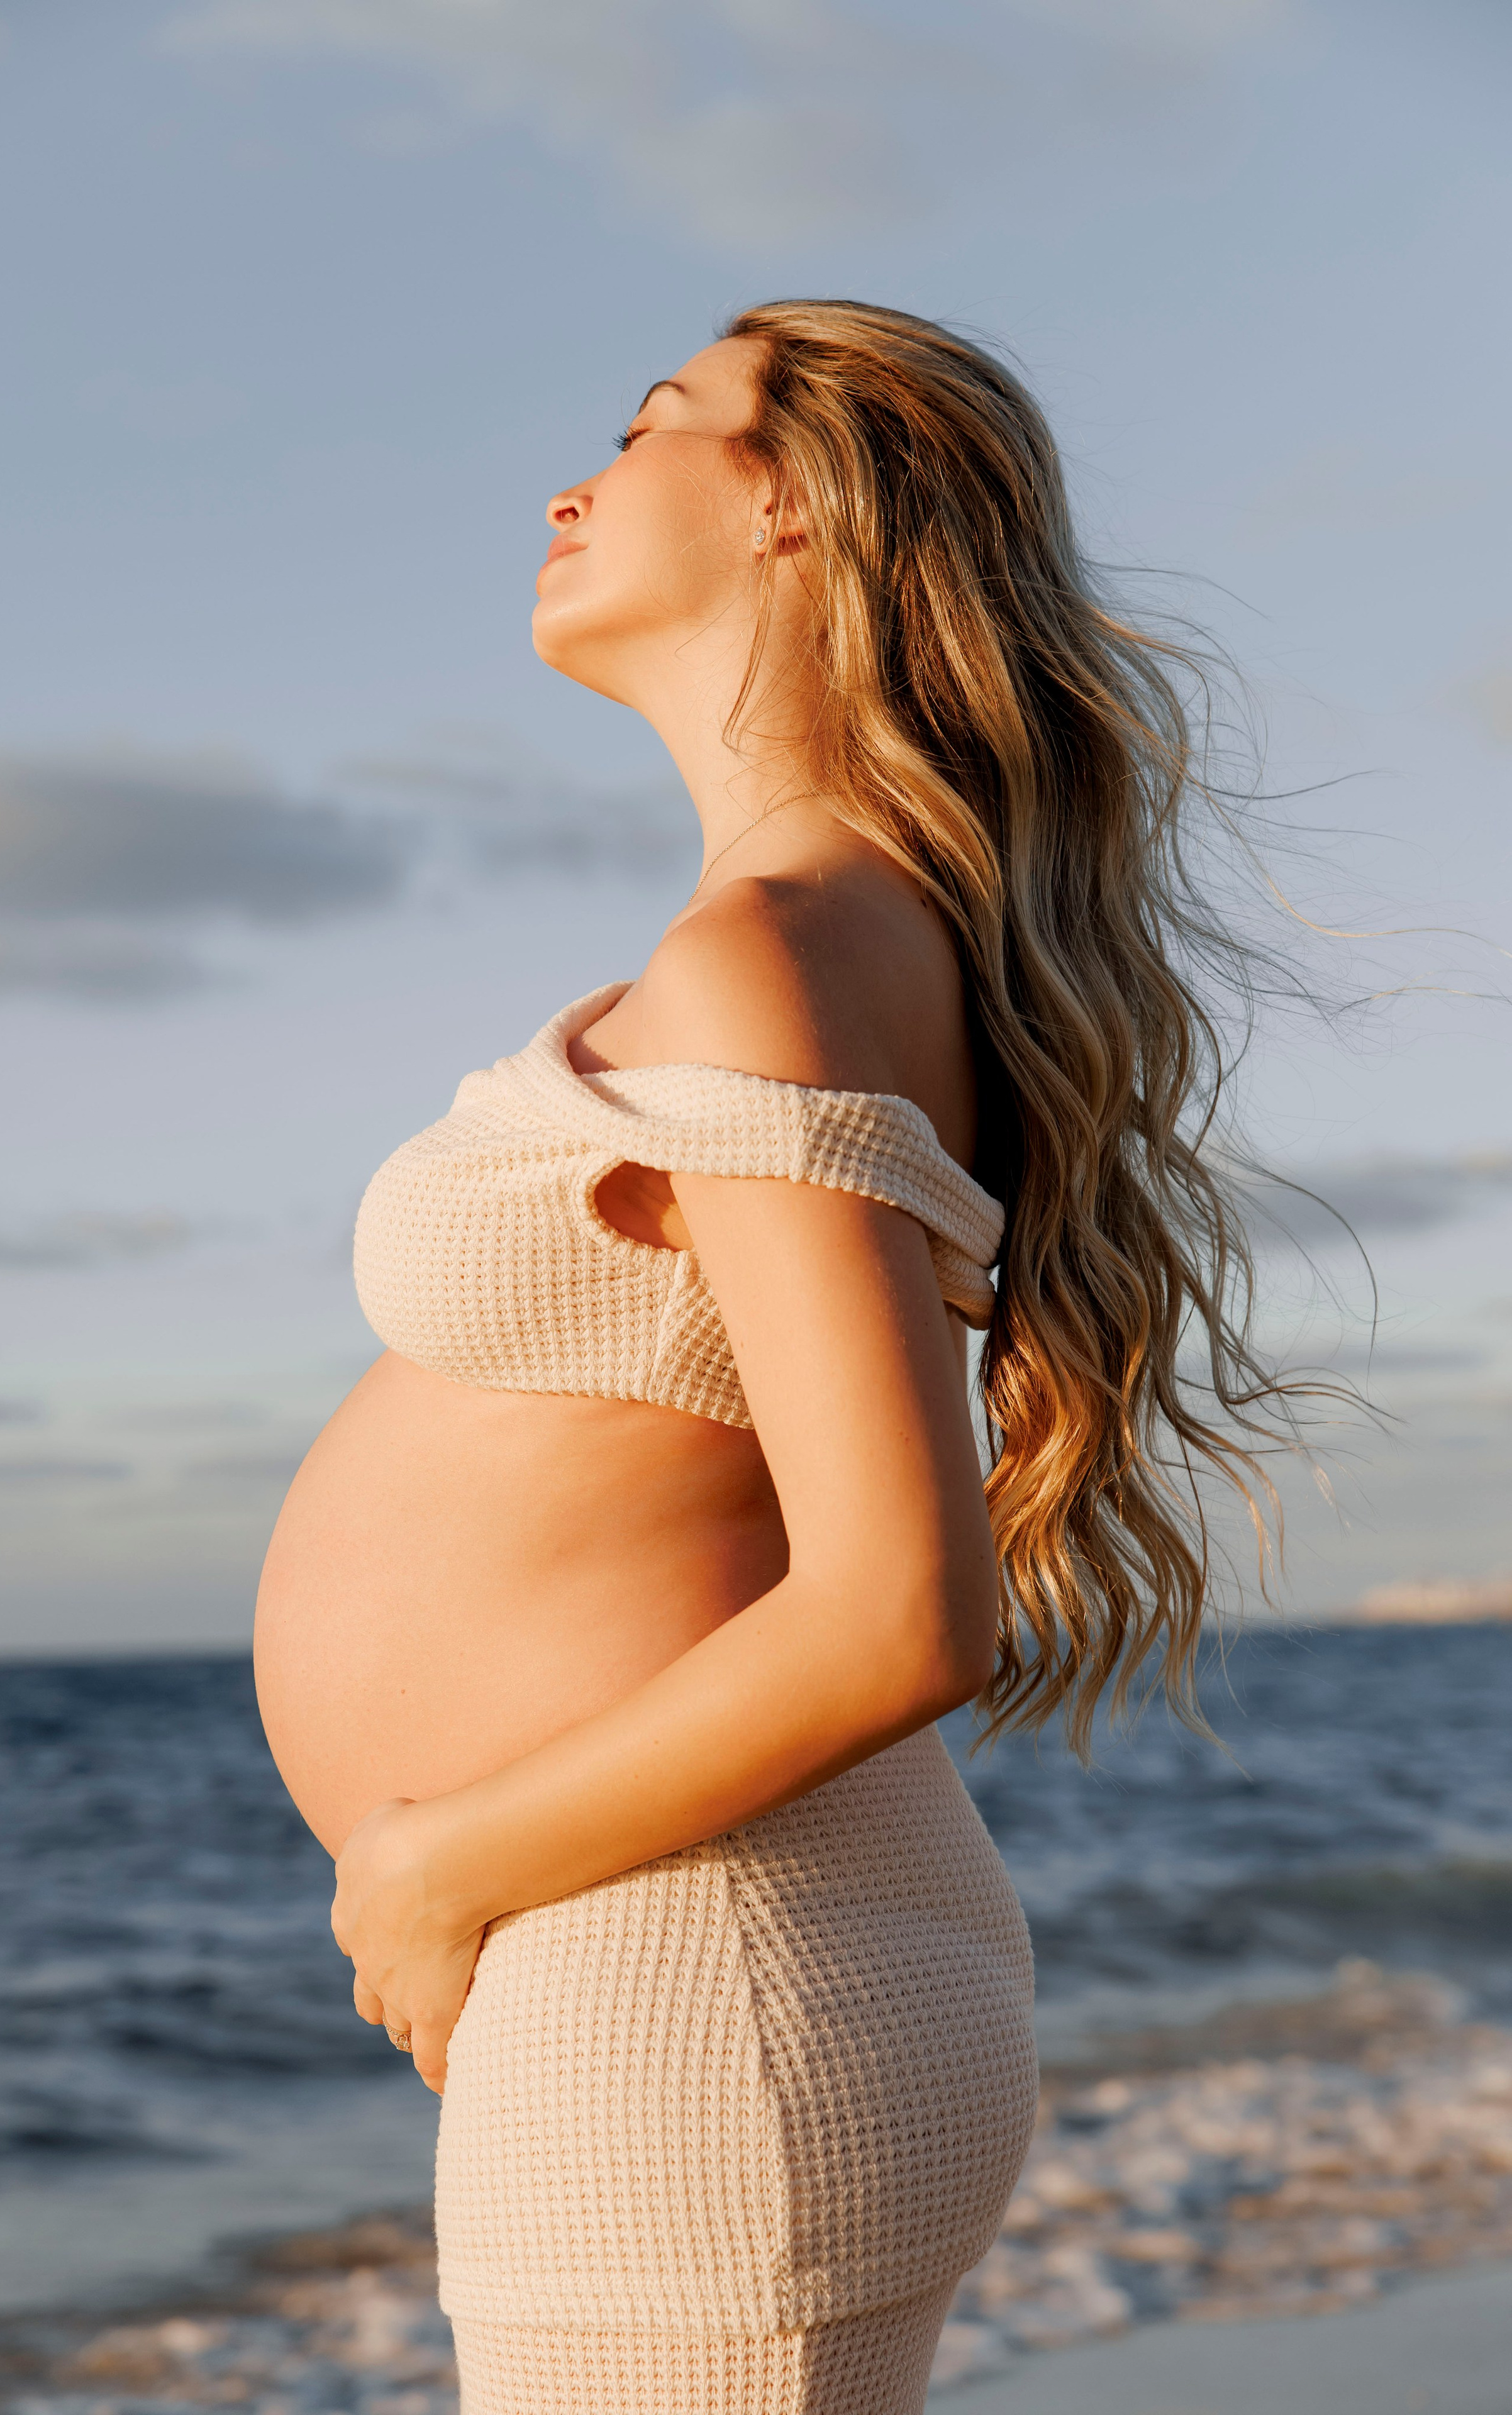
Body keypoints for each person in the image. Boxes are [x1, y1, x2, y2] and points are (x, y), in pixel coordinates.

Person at [254, 300, 1282, 2413]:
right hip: (696, 1961)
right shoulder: (823, 934)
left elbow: (905, 1606)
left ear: (801, 498)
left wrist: (439, 1862)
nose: (570, 484)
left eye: (649, 428)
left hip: (695, 1969)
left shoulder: (783, 951)